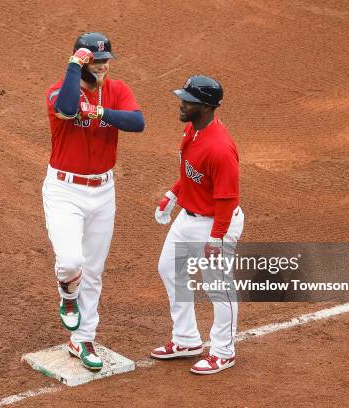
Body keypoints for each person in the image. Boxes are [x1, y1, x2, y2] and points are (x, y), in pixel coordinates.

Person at [43, 32, 144, 371]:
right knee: (71, 262)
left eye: (105, 61)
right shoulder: (59, 90)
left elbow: (137, 122)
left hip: (103, 191)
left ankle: (83, 339)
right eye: (95, 61)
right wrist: (75, 67)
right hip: (65, 190)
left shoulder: (118, 90)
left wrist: (101, 111)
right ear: (81, 61)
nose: (102, 67)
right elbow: (68, 109)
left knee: (95, 271)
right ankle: (68, 297)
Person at [150, 75, 244, 375]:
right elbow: (192, 174)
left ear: (204, 107)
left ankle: (223, 351)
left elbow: (227, 198)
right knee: (169, 268)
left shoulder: (220, 149)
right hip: (189, 217)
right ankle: (187, 339)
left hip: (218, 222)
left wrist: (217, 238)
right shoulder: (192, 130)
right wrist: (173, 194)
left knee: (218, 287)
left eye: (187, 101)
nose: (180, 104)